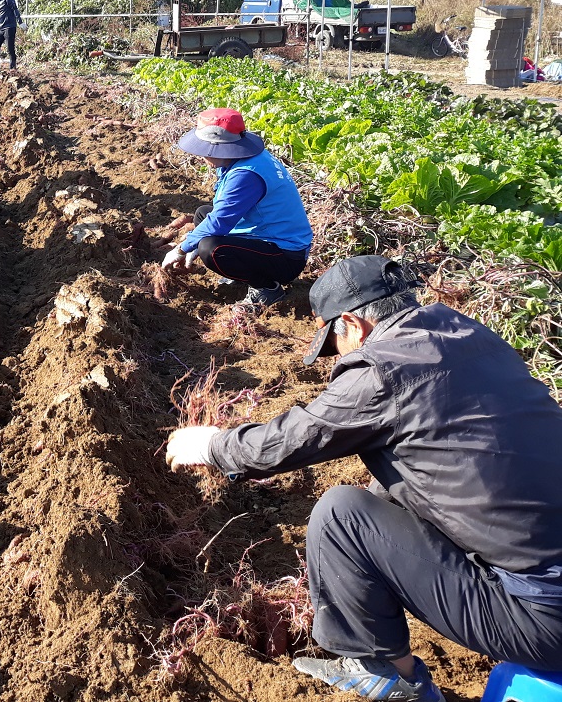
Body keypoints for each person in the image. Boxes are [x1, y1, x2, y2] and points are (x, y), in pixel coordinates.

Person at [165, 254, 562, 702]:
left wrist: (211, 446)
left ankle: (384, 672)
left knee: (342, 516)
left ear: (353, 324)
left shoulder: (383, 369)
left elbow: (295, 437)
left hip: (544, 619)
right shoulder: (472, 336)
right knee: (390, 488)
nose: (338, 357)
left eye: (335, 343)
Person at [161, 107, 312, 314]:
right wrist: (193, 240)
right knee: (203, 214)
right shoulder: (240, 160)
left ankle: (267, 289)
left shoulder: (246, 174)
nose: (201, 155)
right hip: (264, 235)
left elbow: (220, 222)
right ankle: (241, 273)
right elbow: (218, 214)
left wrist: (182, 248)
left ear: (218, 148)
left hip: (285, 255)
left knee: (211, 249)